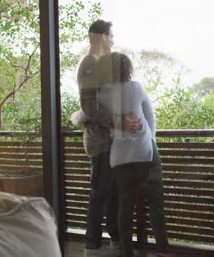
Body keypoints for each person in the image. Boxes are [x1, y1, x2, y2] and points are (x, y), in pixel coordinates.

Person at [74, 20, 141, 257]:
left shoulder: (100, 64)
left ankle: (113, 238)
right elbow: (90, 106)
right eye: (111, 36)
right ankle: (91, 245)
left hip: (109, 140)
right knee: (99, 192)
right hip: (99, 141)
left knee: (111, 192)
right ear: (103, 36)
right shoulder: (90, 64)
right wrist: (120, 122)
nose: (113, 40)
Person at [96, 52, 172, 257]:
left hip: (120, 158)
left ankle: (127, 251)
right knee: (156, 205)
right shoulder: (136, 87)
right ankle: (163, 251)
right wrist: (150, 141)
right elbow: (150, 118)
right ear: (127, 68)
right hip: (146, 154)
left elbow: (83, 115)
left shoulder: (101, 94)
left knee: (125, 206)